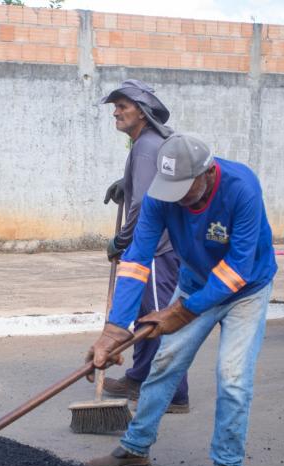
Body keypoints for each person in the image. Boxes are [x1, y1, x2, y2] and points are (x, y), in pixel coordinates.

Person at [83, 134, 277, 466]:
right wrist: (114, 329)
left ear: (208, 172)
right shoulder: (162, 193)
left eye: (185, 189)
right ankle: (136, 449)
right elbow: (137, 259)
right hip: (194, 283)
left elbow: (239, 267)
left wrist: (182, 312)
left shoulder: (242, 188)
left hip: (246, 290)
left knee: (233, 377)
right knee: (164, 363)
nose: (178, 198)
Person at [99, 80, 190, 413]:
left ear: (142, 111)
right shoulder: (147, 144)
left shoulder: (146, 146)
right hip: (156, 247)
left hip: (156, 249)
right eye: (115, 106)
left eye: (122, 106)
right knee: (143, 316)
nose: (116, 112)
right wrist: (127, 181)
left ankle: (174, 394)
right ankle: (138, 378)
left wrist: (121, 241)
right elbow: (153, 183)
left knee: (157, 319)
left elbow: (142, 206)